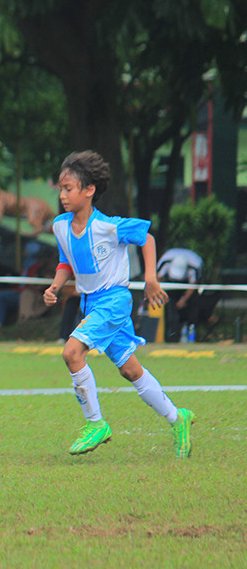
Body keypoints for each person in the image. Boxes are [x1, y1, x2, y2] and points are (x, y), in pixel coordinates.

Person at [43, 150, 194, 458]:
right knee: (129, 369)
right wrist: (55, 286)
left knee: (72, 352)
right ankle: (178, 418)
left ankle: (96, 424)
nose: (62, 195)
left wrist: (150, 278)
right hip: (91, 304)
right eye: (60, 188)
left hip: (113, 301)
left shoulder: (108, 227)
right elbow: (65, 260)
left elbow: (147, 239)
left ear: (89, 190)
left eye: (68, 188)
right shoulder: (60, 226)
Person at [156, 248, 220, 342]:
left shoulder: (195, 266)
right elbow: (158, 278)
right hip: (170, 284)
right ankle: (173, 337)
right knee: (171, 311)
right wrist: (160, 294)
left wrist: (183, 300)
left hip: (190, 285)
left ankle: (190, 333)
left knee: (192, 308)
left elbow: (193, 286)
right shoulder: (165, 262)